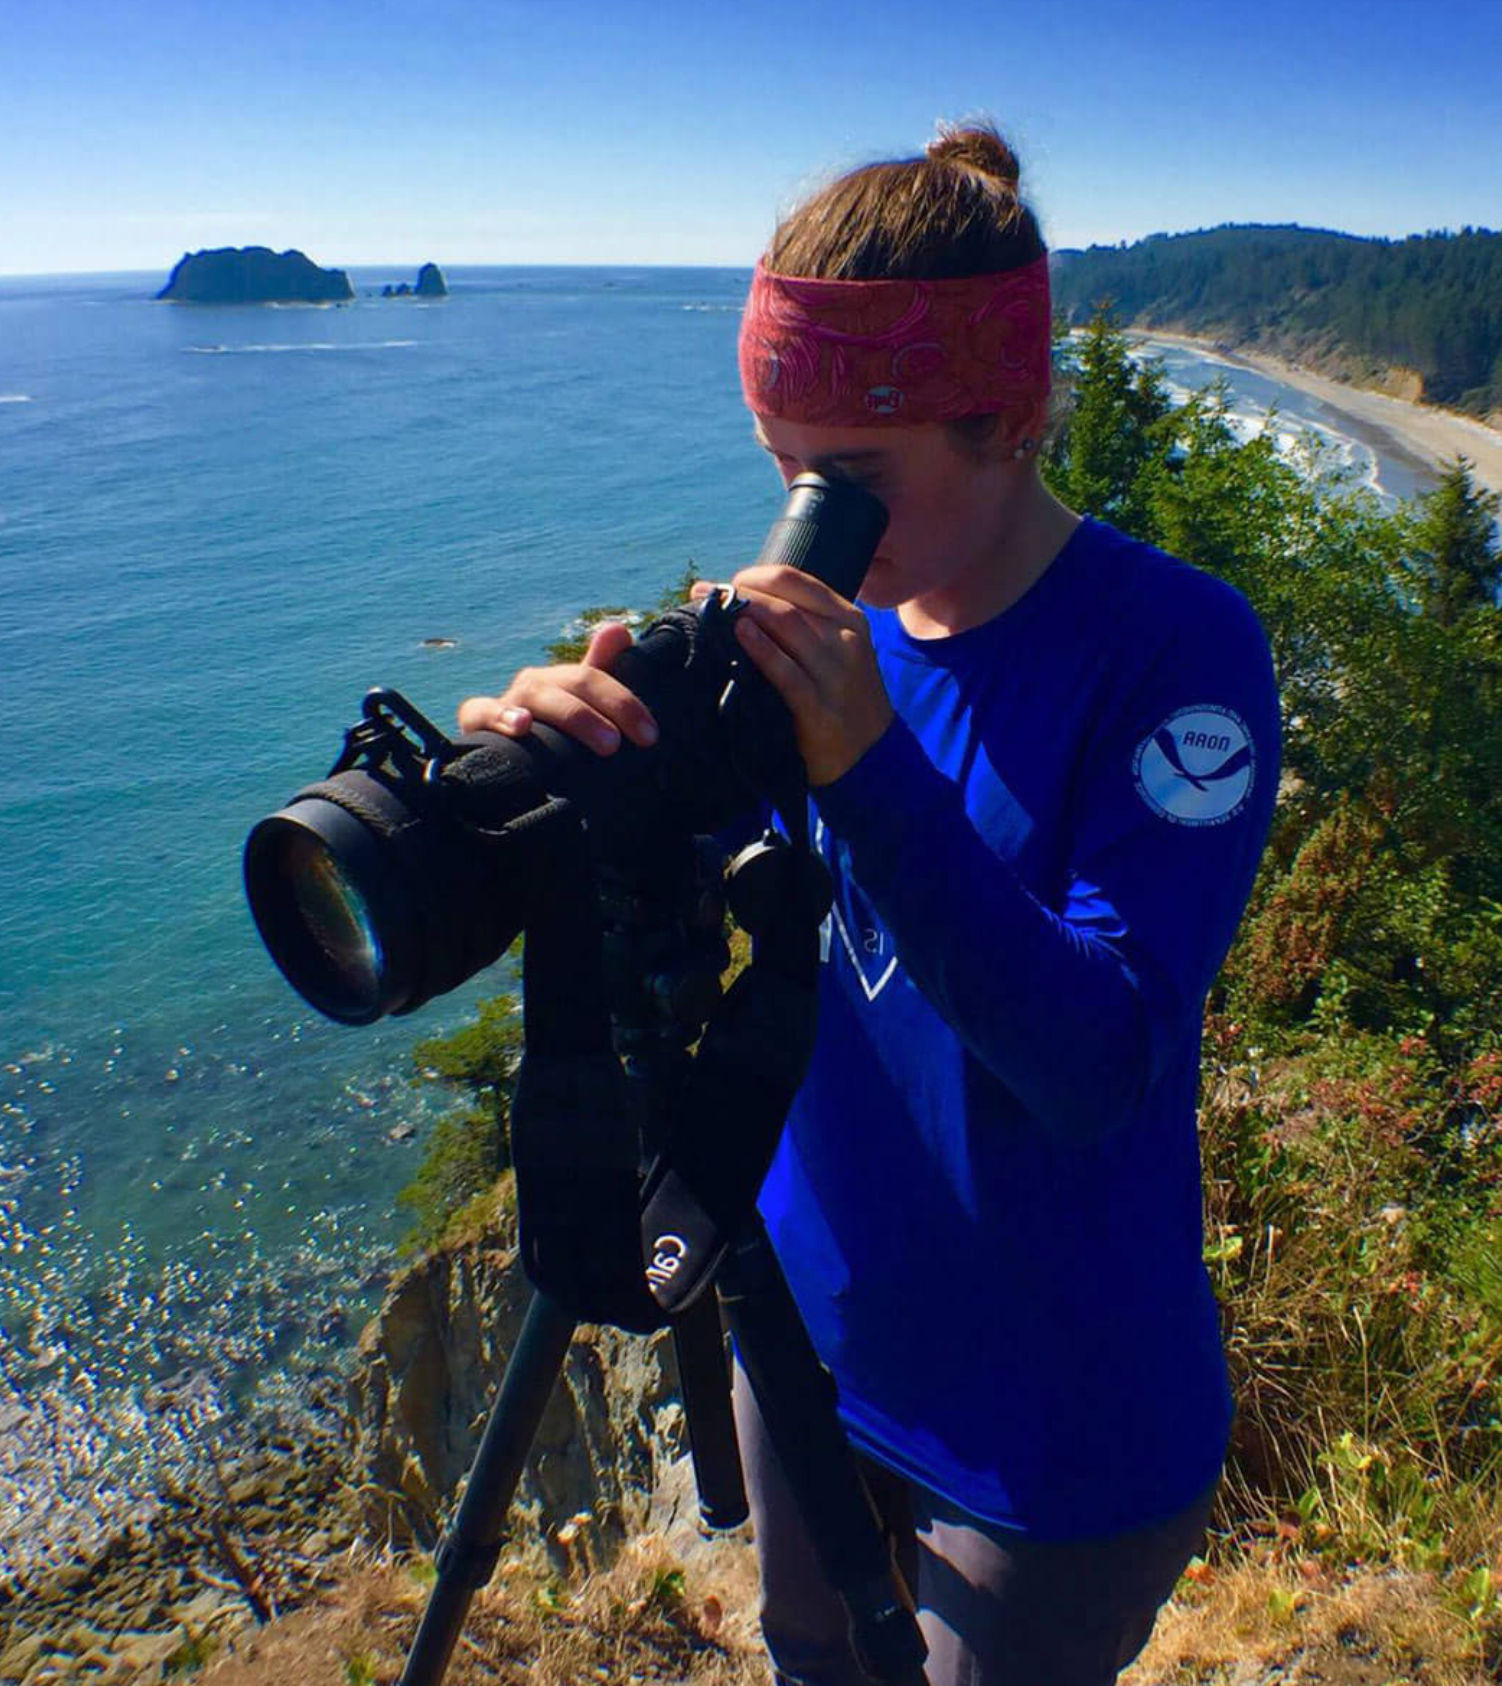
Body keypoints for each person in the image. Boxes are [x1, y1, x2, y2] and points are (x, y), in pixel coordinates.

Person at [460, 123, 1280, 1686]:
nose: (806, 533)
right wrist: (558, 784)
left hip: (1060, 1423)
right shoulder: (823, 643)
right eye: (781, 471)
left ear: (1014, 415)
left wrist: (869, 760)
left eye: (849, 481)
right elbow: (709, 910)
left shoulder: (1171, 652)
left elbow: (1097, 1056)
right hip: (812, 1345)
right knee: (808, 1659)